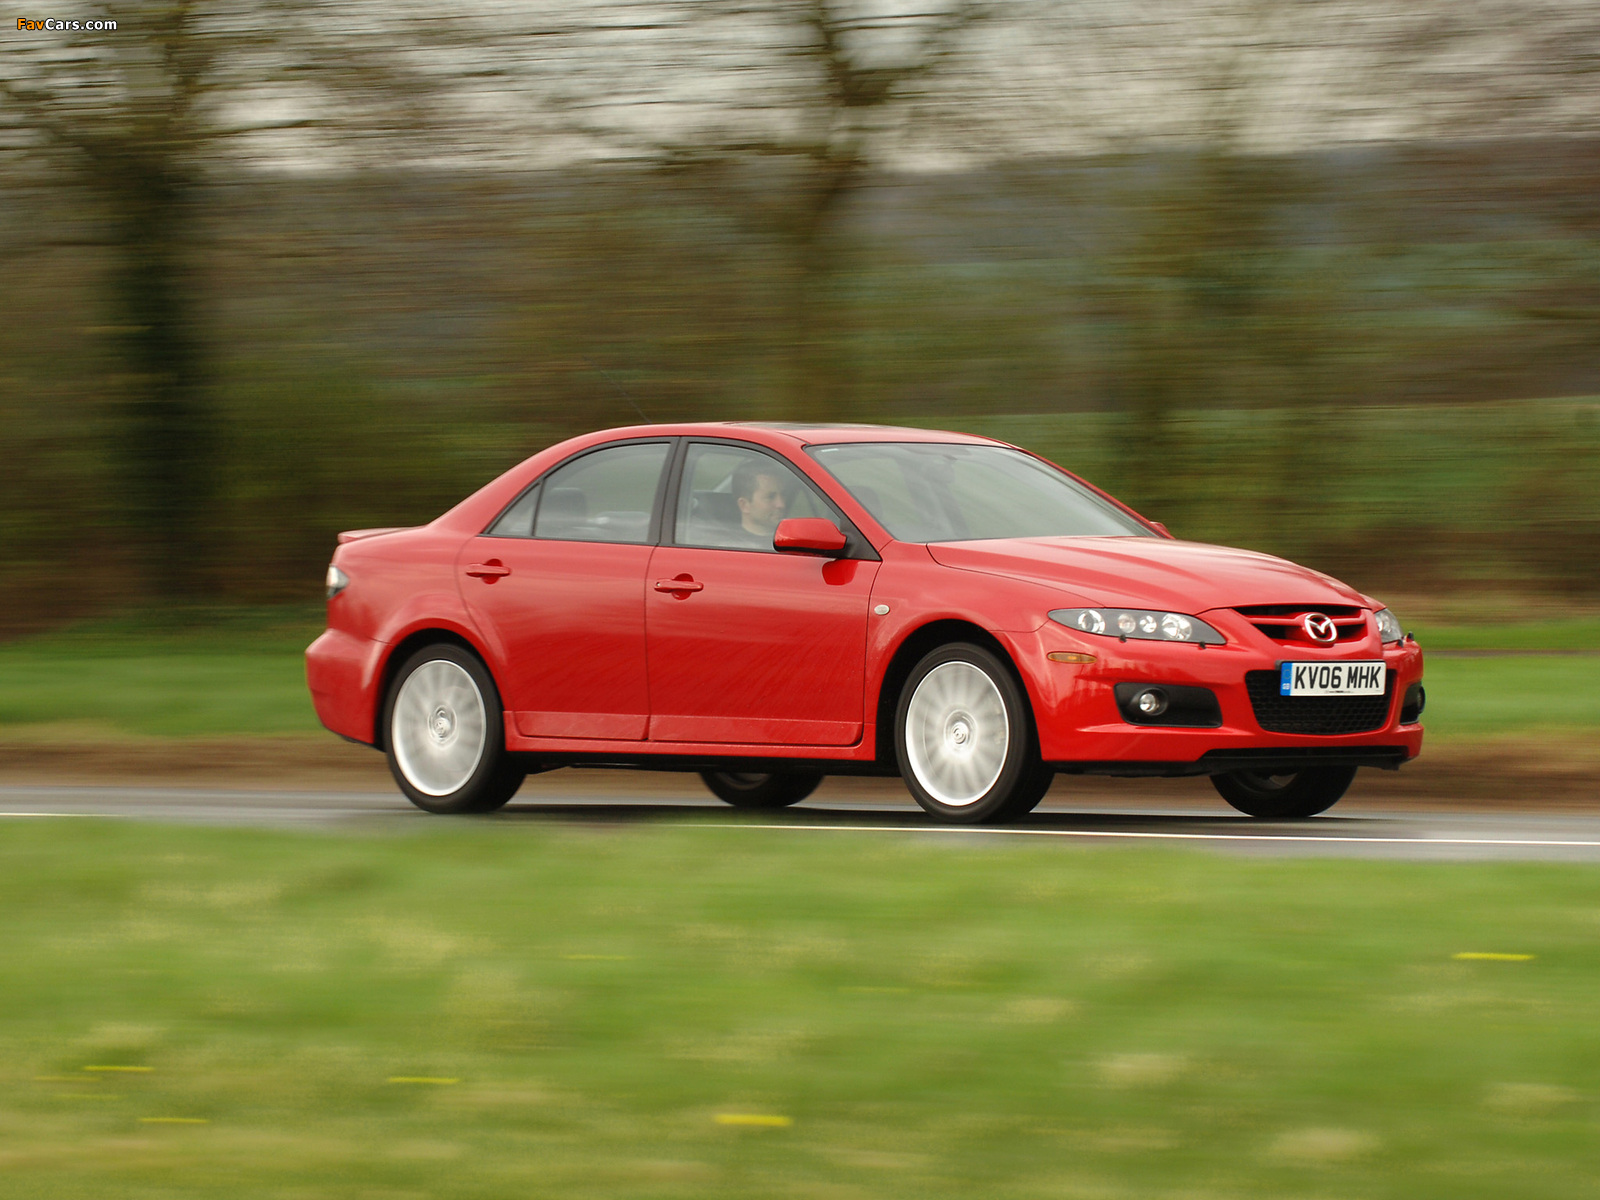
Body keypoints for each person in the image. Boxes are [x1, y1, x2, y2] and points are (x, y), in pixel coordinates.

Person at [731, 460, 789, 543]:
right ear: (744, 505)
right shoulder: (730, 548)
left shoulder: (794, 541)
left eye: (783, 494)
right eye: (770, 497)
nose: (781, 504)